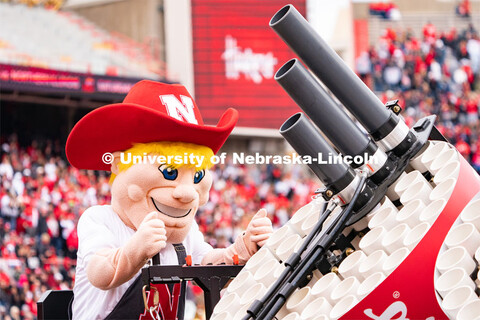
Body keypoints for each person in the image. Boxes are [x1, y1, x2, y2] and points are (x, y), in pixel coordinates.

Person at [66, 80, 273, 319]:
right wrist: (135, 250)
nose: (186, 193)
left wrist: (244, 248)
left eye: (195, 175)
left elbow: (208, 268)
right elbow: (99, 273)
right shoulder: (100, 219)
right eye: (169, 172)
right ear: (118, 163)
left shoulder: (184, 234)